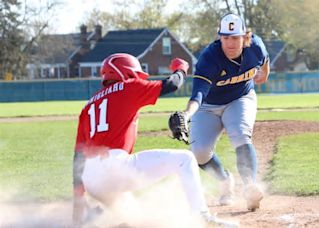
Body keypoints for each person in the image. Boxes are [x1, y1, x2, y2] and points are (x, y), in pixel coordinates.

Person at [72, 53, 238, 227]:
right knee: (185, 159)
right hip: (115, 169)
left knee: (135, 219)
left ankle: (94, 220)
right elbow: (172, 84)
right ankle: (202, 218)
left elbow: (77, 157)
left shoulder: (88, 106)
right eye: (135, 74)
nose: (137, 78)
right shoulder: (128, 86)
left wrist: (78, 199)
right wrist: (180, 68)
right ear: (126, 73)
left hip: (90, 179)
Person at [171, 13, 270, 211]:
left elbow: (265, 60)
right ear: (220, 37)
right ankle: (225, 181)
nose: (230, 43)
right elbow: (198, 93)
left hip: (240, 98)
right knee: (199, 152)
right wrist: (187, 115)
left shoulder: (256, 47)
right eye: (225, 38)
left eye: (235, 37)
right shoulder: (209, 58)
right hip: (208, 106)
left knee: (241, 134)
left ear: (245, 37)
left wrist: (265, 74)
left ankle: (250, 187)